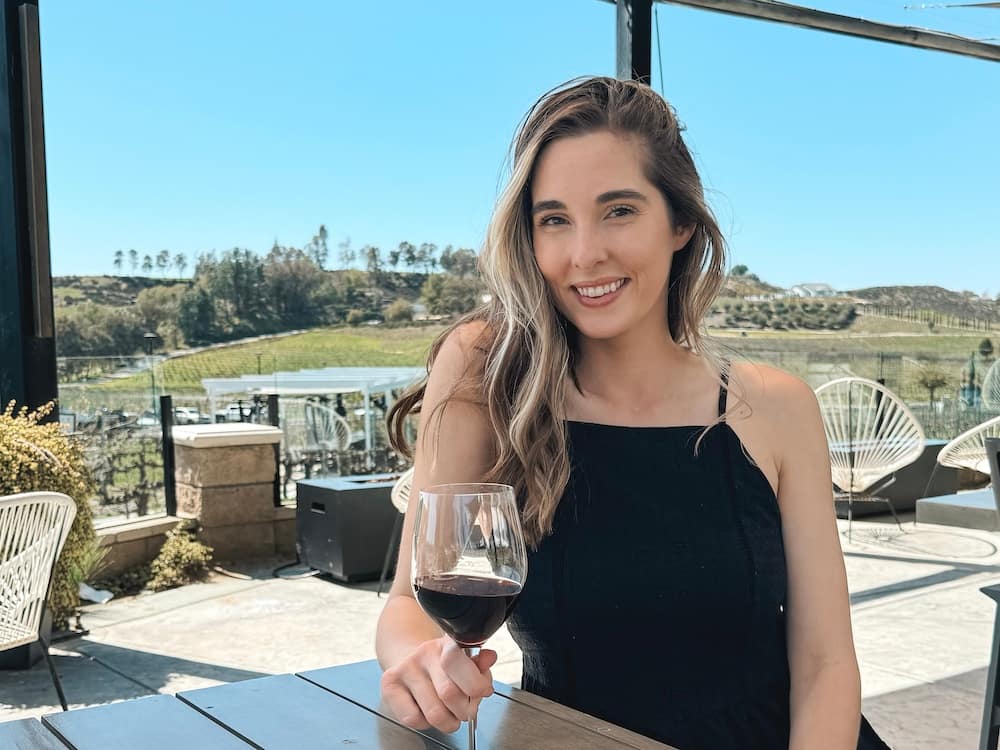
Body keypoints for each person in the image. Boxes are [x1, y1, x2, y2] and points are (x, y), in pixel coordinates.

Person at [376, 76, 888, 749]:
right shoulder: (489, 372)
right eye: (554, 219)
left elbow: (825, 664)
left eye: (618, 210)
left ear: (680, 223)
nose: (585, 254)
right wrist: (418, 661)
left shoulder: (776, 406)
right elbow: (409, 603)